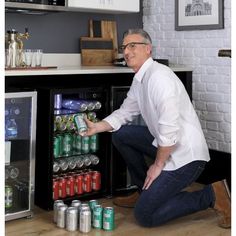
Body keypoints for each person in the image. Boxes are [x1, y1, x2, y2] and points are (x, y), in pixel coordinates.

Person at [82, 29, 231, 228]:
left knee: (145, 215)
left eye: (132, 45)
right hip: (167, 145)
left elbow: (169, 128)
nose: (126, 51)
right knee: (122, 134)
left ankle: (212, 195)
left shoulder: (160, 78)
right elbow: (125, 113)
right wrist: (97, 126)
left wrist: (157, 165)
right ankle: (144, 191)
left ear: (148, 49)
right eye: (124, 47)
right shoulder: (141, 79)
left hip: (187, 157)